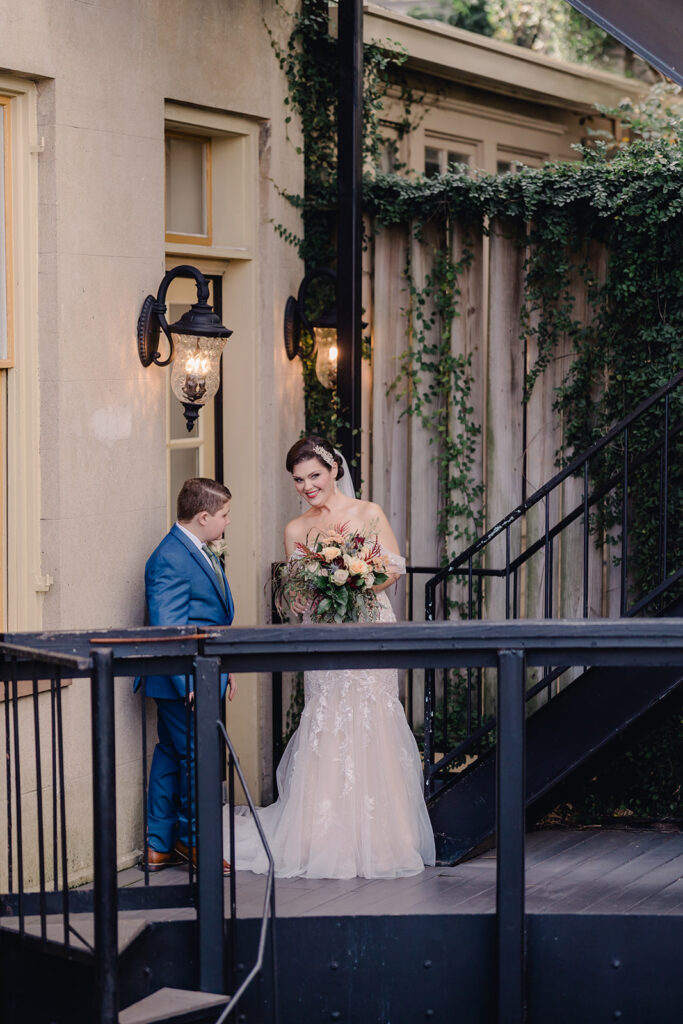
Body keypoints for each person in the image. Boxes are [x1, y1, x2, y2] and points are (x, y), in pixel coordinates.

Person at [227, 437, 435, 879]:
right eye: (298, 480)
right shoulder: (295, 529)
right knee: (328, 718)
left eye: (313, 476)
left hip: (371, 626)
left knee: (373, 717)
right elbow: (297, 591)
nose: (306, 487)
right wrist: (308, 597)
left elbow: (395, 568)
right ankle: (321, 836)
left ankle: (383, 837)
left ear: (334, 470)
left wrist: (353, 581)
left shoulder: (368, 513)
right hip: (324, 633)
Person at [136, 477, 236, 874]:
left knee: (171, 754)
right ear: (204, 516)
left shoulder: (193, 547)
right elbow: (169, 628)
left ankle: (159, 844)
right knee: (199, 758)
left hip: (198, 671)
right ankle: (195, 843)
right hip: (184, 679)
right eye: (225, 515)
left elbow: (206, 617)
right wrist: (192, 682)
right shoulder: (170, 558)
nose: (228, 523)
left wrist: (225, 664)